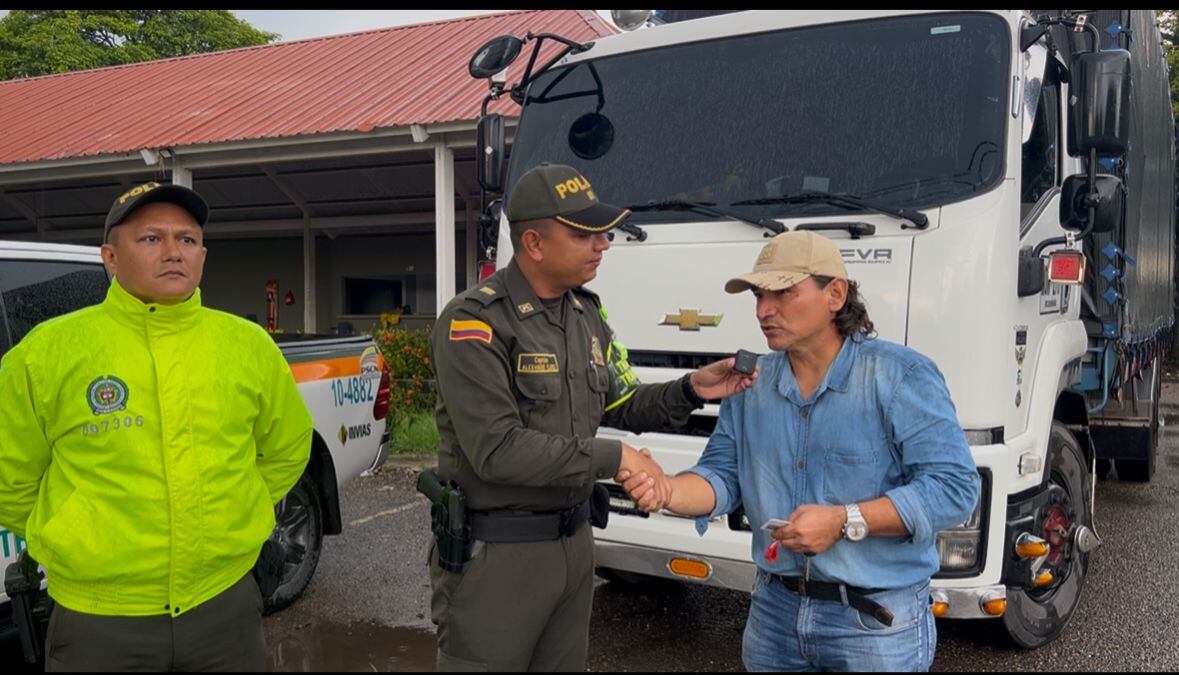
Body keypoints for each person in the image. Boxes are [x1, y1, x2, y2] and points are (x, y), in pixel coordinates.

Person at [426, 163, 755, 672]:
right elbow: (497, 451)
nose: (603, 244)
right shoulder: (474, 323)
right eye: (584, 234)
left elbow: (621, 402)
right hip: (499, 558)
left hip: (575, 547)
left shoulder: (585, 314)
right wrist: (616, 457)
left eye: (602, 232)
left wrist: (693, 388)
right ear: (533, 244)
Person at [620, 230, 979, 672]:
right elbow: (723, 476)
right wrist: (667, 490)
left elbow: (955, 488)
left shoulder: (901, 376)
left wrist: (844, 521)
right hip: (774, 613)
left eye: (783, 293)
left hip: (875, 624)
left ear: (835, 294)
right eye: (758, 296)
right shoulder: (749, 385)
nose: (763, 311)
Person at [0, 181, 314, 671]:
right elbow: (9, 477)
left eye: (186, 240)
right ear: (110, 256)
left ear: (203, 256)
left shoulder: (247, 347)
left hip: (224, 610)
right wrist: (75, 528)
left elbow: (288, 448)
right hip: (99, 622)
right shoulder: (48, 354)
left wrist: (235, 512)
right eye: (151, 239)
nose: (173, 252)